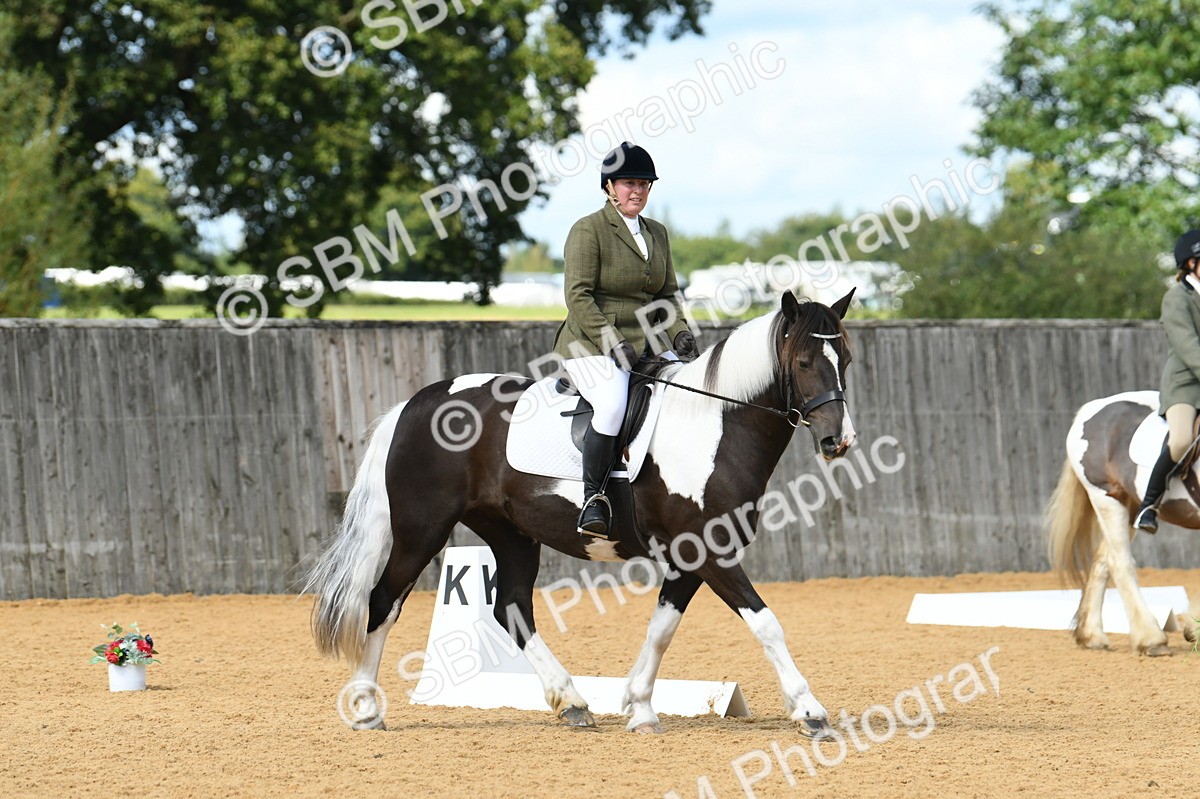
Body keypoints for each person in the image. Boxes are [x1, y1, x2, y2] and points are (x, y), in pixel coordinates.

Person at [551, 141, 698, 537]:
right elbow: (577, 295)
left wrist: (680, 332)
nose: (637, 191)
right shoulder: (588, 230)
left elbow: (667, 293)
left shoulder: (657, 233)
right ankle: (593, 499)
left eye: (644, 184)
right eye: (629, 183)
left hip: (648, 340)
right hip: (590, 343)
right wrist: (611, 340)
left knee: (689, 389)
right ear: (609, 187)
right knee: (614, 404)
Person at [1135, 229, 1200, 532]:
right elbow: (1188, 346)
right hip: (1186, 386)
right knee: (1182, 441)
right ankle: (1149, 503)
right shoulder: (1176, 299)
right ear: (1191, 264)